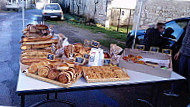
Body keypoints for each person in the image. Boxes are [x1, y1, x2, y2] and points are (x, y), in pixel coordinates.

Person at [164, 21, 190, 106]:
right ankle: (175, 91)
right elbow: (186, 38)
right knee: (180, 73)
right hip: (184, 53)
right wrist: (179, 51)